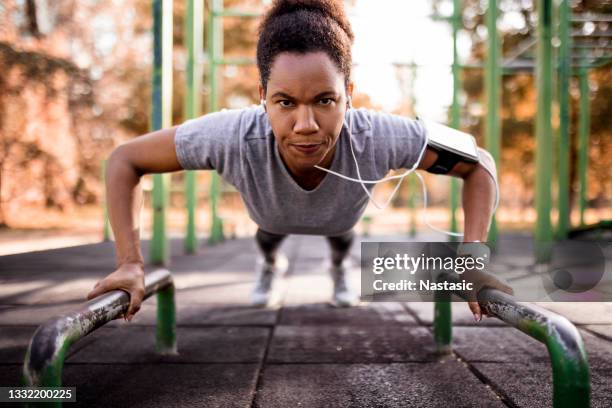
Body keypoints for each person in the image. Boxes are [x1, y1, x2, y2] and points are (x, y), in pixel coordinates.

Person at [87, 0, 512, 321]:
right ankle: (270, 265)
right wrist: (130, 263)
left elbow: (480, 163)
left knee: (340, 230)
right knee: (270, 232)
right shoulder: (231, 134)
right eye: (285, 102)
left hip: (341, 216)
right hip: (270, 215)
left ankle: (340, 266)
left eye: (325, 100)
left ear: (349, 92)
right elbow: (125, 159)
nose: (305, 124)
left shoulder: (379, 134)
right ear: (261, 96)